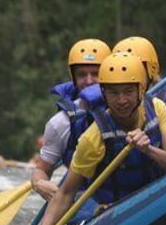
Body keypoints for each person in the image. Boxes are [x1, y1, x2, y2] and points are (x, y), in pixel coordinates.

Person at [24, 52, 166, 225]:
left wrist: (149, 150)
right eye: (113, 93)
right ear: (103, 93)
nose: (121, 101)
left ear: (141, 89)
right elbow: (66, 193)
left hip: (155, 201)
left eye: (128, 92)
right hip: (113, 214)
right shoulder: (93, 138)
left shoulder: (157, 108)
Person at [31, 38, 112, 202]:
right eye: (82, 75)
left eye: (95, 74)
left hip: (130, 195)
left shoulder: (127, 108)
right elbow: (41, 170)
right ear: (73, 78)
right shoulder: (60, 123)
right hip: (86, 201)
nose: (89, 81)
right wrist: (39, 183)